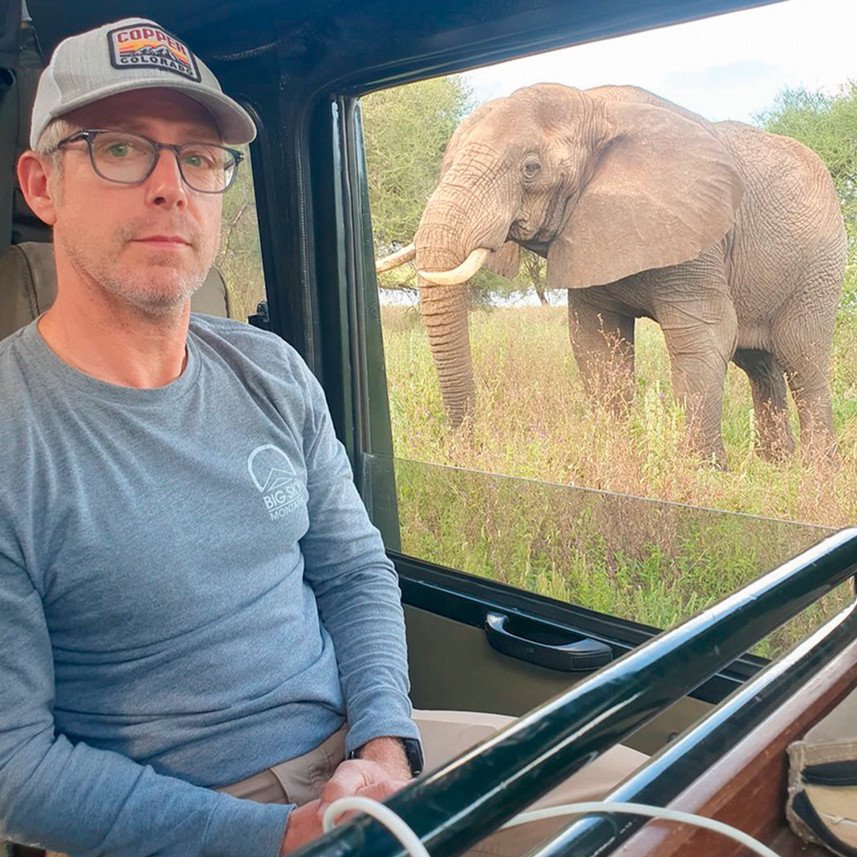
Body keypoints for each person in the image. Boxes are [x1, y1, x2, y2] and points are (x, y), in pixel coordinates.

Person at [0, 17, 645, 857]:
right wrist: (280, 836)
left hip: (355, 765)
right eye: (120, 148)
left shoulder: (270, 370)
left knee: (646, 798)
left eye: (198, 157)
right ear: (41, 186)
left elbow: (352, 569)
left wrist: (383, 745)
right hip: (173, 818)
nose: (172, 187)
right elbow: (15, 765)